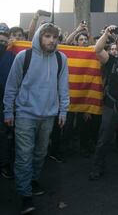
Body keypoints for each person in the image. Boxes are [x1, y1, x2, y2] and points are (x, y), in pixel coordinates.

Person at [3, 23, 69, 214]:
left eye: (54, 37)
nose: (51, 40)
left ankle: (31, 180)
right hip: (25, 114)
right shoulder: (25, 56)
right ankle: (25, 196)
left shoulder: (61, 58)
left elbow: (63, 87)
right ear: (39, 37)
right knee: (24, 155)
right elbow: (11, 87)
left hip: (48, 116)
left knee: (40, 153)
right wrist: (8, 112)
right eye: (47, 36)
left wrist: (63, 111)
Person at [88, 26, 118, 180]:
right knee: (103, 141)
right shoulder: (111, 60)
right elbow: (97, 49)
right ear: (116, 46)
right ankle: (97, 168)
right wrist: (106, 34)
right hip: (112, 107)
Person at [0, 31, 15, 179]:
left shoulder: (11, 56)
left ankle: (4, 164)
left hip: (5, 102)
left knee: (4, 134)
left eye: (4, 42)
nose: (2, 45)